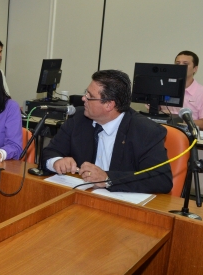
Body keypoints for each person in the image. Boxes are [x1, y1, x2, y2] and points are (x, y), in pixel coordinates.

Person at [42, 69, 172, 194]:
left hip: (121, 205)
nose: (83, 99)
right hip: (82, 197)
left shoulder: (146, 131)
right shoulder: (78, 118)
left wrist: (107, 179)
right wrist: (56, 161)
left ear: (109, 105)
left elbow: (161, 179)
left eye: (90, 96)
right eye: (85, 93)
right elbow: (49, 152)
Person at [165, 51, 203, 128]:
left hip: (188, 134)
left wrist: (178, 122)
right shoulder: (165, 87)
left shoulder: (201, 92)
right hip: (163, 131)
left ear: (195, 69)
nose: (181, 67)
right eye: (177, 64)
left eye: (185, 64)